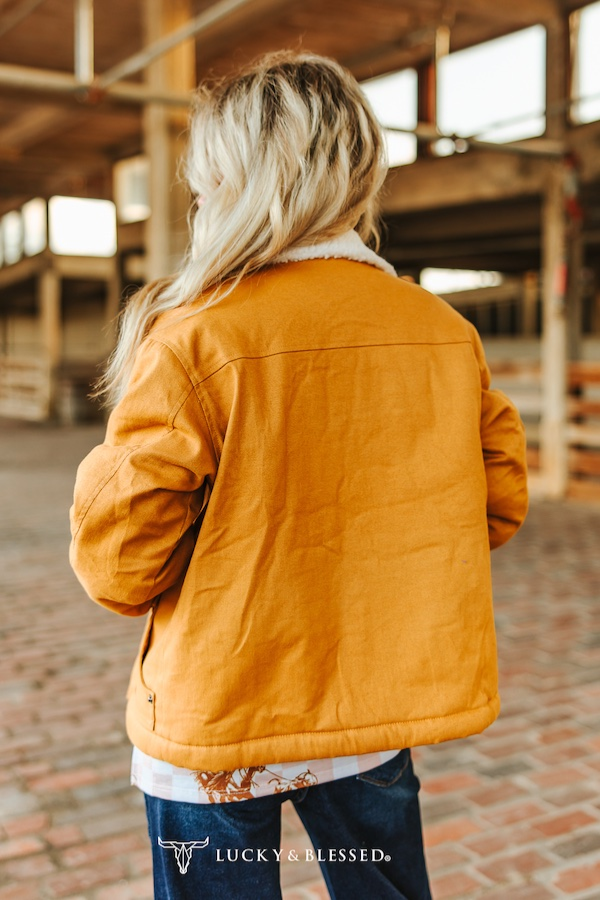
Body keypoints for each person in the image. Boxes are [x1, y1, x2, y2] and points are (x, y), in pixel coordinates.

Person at [69, 51, 528, 900]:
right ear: (360, 173)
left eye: (204, 183)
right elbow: (494, 506)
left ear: (233, 182)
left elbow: (121, 566)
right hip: (375, 709)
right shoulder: (443, 330)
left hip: (222, 716)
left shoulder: (195, 335)